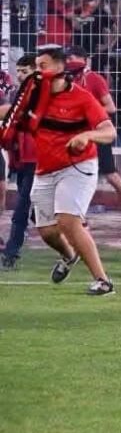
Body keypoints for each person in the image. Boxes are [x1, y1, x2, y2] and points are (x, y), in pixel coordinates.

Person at [30, 47, 117, 295]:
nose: (38, 71)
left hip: (77, 166)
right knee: (47, 232)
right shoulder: (34, 95)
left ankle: (103, 281)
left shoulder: (82, 97)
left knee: (68, 221)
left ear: (59, 67)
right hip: (45, 169)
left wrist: (87, 135)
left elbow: (109, 132)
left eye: (42, 66)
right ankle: (69, 255)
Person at [65, 47, 121, 233]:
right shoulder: (68, 79)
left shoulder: (94, 79)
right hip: (77, 135)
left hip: (96, 133)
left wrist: (88, 112)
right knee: (72, 175)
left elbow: (111, 107)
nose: (69, 61)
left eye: (72, 57)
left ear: (84, 59)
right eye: (67, 58)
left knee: (111, 175)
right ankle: (81, 218)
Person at [0, 55, 37, 271]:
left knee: (22, 207)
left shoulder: (37, 93)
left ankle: (11, 251)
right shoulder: (21, 92)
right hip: (23, 157)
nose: (20, 75)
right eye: (19, 72)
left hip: (37, 158)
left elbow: (14, 112)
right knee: (33, 209)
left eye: (25, 71)